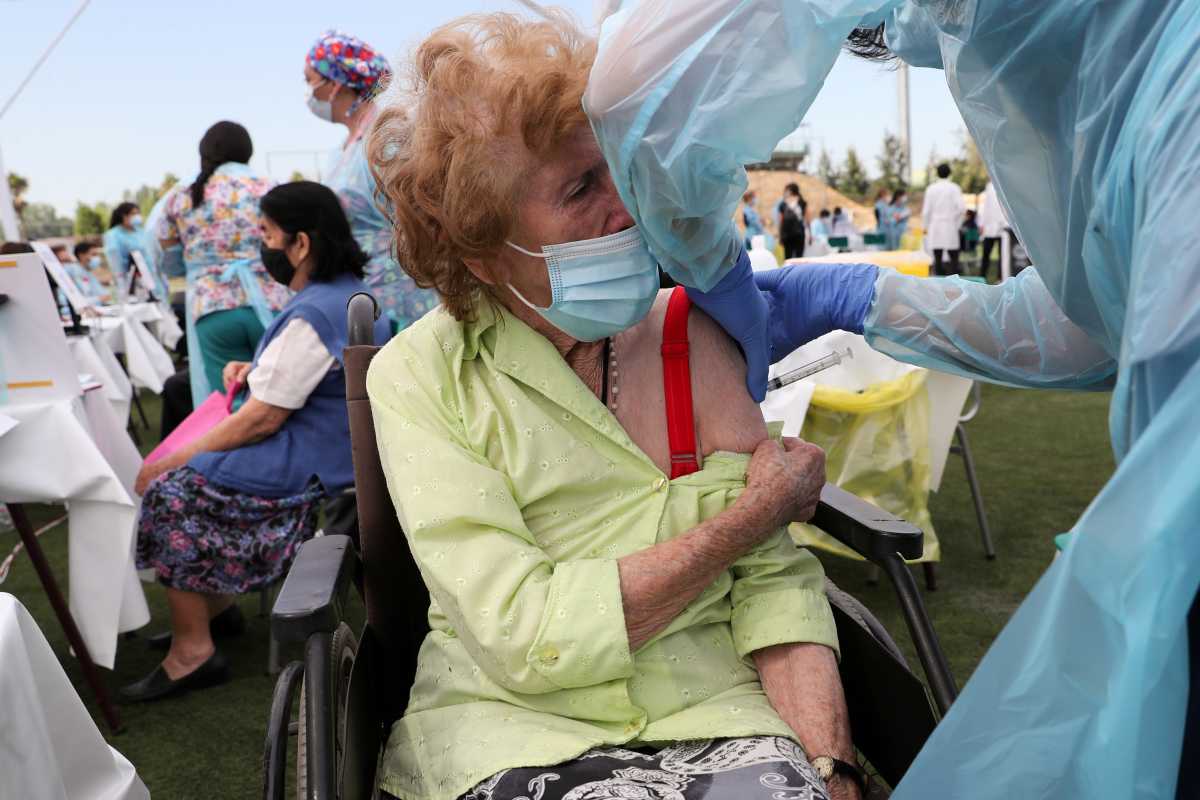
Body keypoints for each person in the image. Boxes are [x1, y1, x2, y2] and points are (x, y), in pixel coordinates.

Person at [583, 1, 1200, 796]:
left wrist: (709, 265)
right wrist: (868, 297)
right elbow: (1101, 316)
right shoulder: (1139, 70)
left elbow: (638, 90)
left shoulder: (1158, 76)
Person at [365, 13, 861, 800]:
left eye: (616, 171)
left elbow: (774, 586)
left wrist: (829, 772)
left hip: (717, 713)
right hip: (508, 727)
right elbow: (522, 635)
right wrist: (743, 519)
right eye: (579, 189)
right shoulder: (421, 375)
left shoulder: (690, 333)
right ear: (484, 248)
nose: (627, 208)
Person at [123, 181, 392, 702]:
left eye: (267, 233)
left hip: (314, 460)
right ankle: (215, 612)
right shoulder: (344, 295)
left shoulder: (314, 310)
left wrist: (173, 458)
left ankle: (192, 653)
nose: (260, 244)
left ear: (301, 244)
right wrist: (256, 370)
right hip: (336, 446)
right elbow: (309, 376)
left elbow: (264, 419)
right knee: (186, 477)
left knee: (172, 491)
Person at [303, 30, 439, 332]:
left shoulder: (388, 137)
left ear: (335, 84)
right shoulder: (341, 152)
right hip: (364, 291)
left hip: (404, 293)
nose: (308, 91)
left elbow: (422, 215)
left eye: (310, 79)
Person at [155, 121, 290, 406]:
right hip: (272, 303)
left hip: (213, 309)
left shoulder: (182, 196)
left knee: (231, 402)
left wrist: (198, 265)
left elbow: (170, 261)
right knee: (283, 396)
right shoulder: (270, 188)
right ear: (247, 150)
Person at [921, 163, 965, 276]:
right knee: (954, 257)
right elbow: (961, 209)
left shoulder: (931, 189)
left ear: (937, 174)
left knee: (937, 257)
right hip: (950, 225)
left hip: (935, 226)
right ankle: (955, 285)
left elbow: (926, 211)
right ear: (949, 173)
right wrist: (956, 223)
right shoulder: (954, 188)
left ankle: (939, 285)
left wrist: (925, 227)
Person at [102, 201, 149, 299]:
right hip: (129, 279)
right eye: (133, 213)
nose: (137, 216)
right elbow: (116, 262)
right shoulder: (113, 235)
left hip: (149, 277)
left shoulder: (141, 232)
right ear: (124, 216)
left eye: (138, 213)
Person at [976, 180, 1008, 280]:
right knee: (986, 254)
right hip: (991, 226)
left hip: (1004, 226)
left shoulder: (1005, 183)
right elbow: (986, 206)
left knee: (1003, 255)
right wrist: (981, 223)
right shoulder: (990, 185)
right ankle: (982, 277)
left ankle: (1001, 277)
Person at [775, 181, 807, 258]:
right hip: (799, 234)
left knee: (788, 257)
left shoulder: (783, 204)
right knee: (799, 257)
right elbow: (806, 220)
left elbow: (781, 221)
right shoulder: (802, 202)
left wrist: (780, 236)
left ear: (790, 191)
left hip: (787, 234)